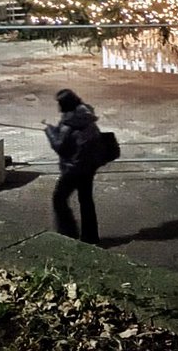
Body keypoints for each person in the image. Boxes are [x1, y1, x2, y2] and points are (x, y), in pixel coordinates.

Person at [44, 87, 102, 244]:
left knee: (59, 199)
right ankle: (91, 237)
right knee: (86, 200)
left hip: (73, 167)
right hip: (88, 164)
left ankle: (68, 234)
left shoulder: (68, 123)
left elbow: (59, 145)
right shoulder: (86, 114)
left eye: (59, 103)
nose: (58, 107)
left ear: (65, 104)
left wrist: (48, 130)